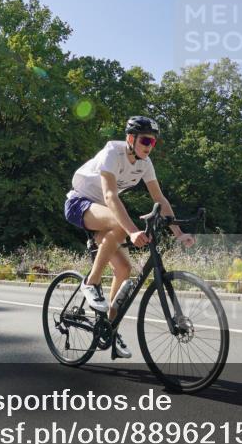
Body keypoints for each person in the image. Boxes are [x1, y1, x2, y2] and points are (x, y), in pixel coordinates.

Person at [63, 116, 195, 359]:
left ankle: (108, 330)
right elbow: (111, 196)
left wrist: (178, 233)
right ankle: (90, 283)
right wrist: (133, 231)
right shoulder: (112, 152)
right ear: (131, 139)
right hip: (79, 203)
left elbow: (160, 199)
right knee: (121, 226)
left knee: (124, 270)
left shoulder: (145, 163)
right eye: (145, 140)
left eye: (153, 142)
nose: (149, 145)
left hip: (101, 210)